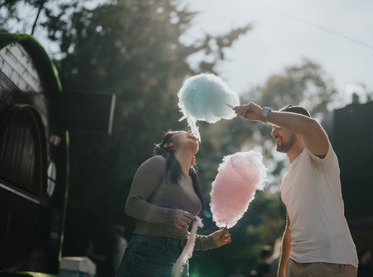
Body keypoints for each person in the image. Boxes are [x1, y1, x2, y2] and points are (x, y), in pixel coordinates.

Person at [233, 103, 358, 277]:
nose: (273, 132)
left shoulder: (318, 158)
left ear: (296, 127)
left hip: (328, 262)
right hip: (296, 265)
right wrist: (282, 270)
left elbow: (310, 126)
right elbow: (291, 229)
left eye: (279, 127)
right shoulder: (286, 180)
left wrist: (263, 114)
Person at [117, 130, 231, 277]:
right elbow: (132, 205)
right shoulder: (159, 162)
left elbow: (179, 235)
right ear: (169, 145)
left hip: (180, 260)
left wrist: (209, 241)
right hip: (148, 253)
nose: (190, 131)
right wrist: (170, 215)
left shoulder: (191, 179)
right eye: (182, 132)